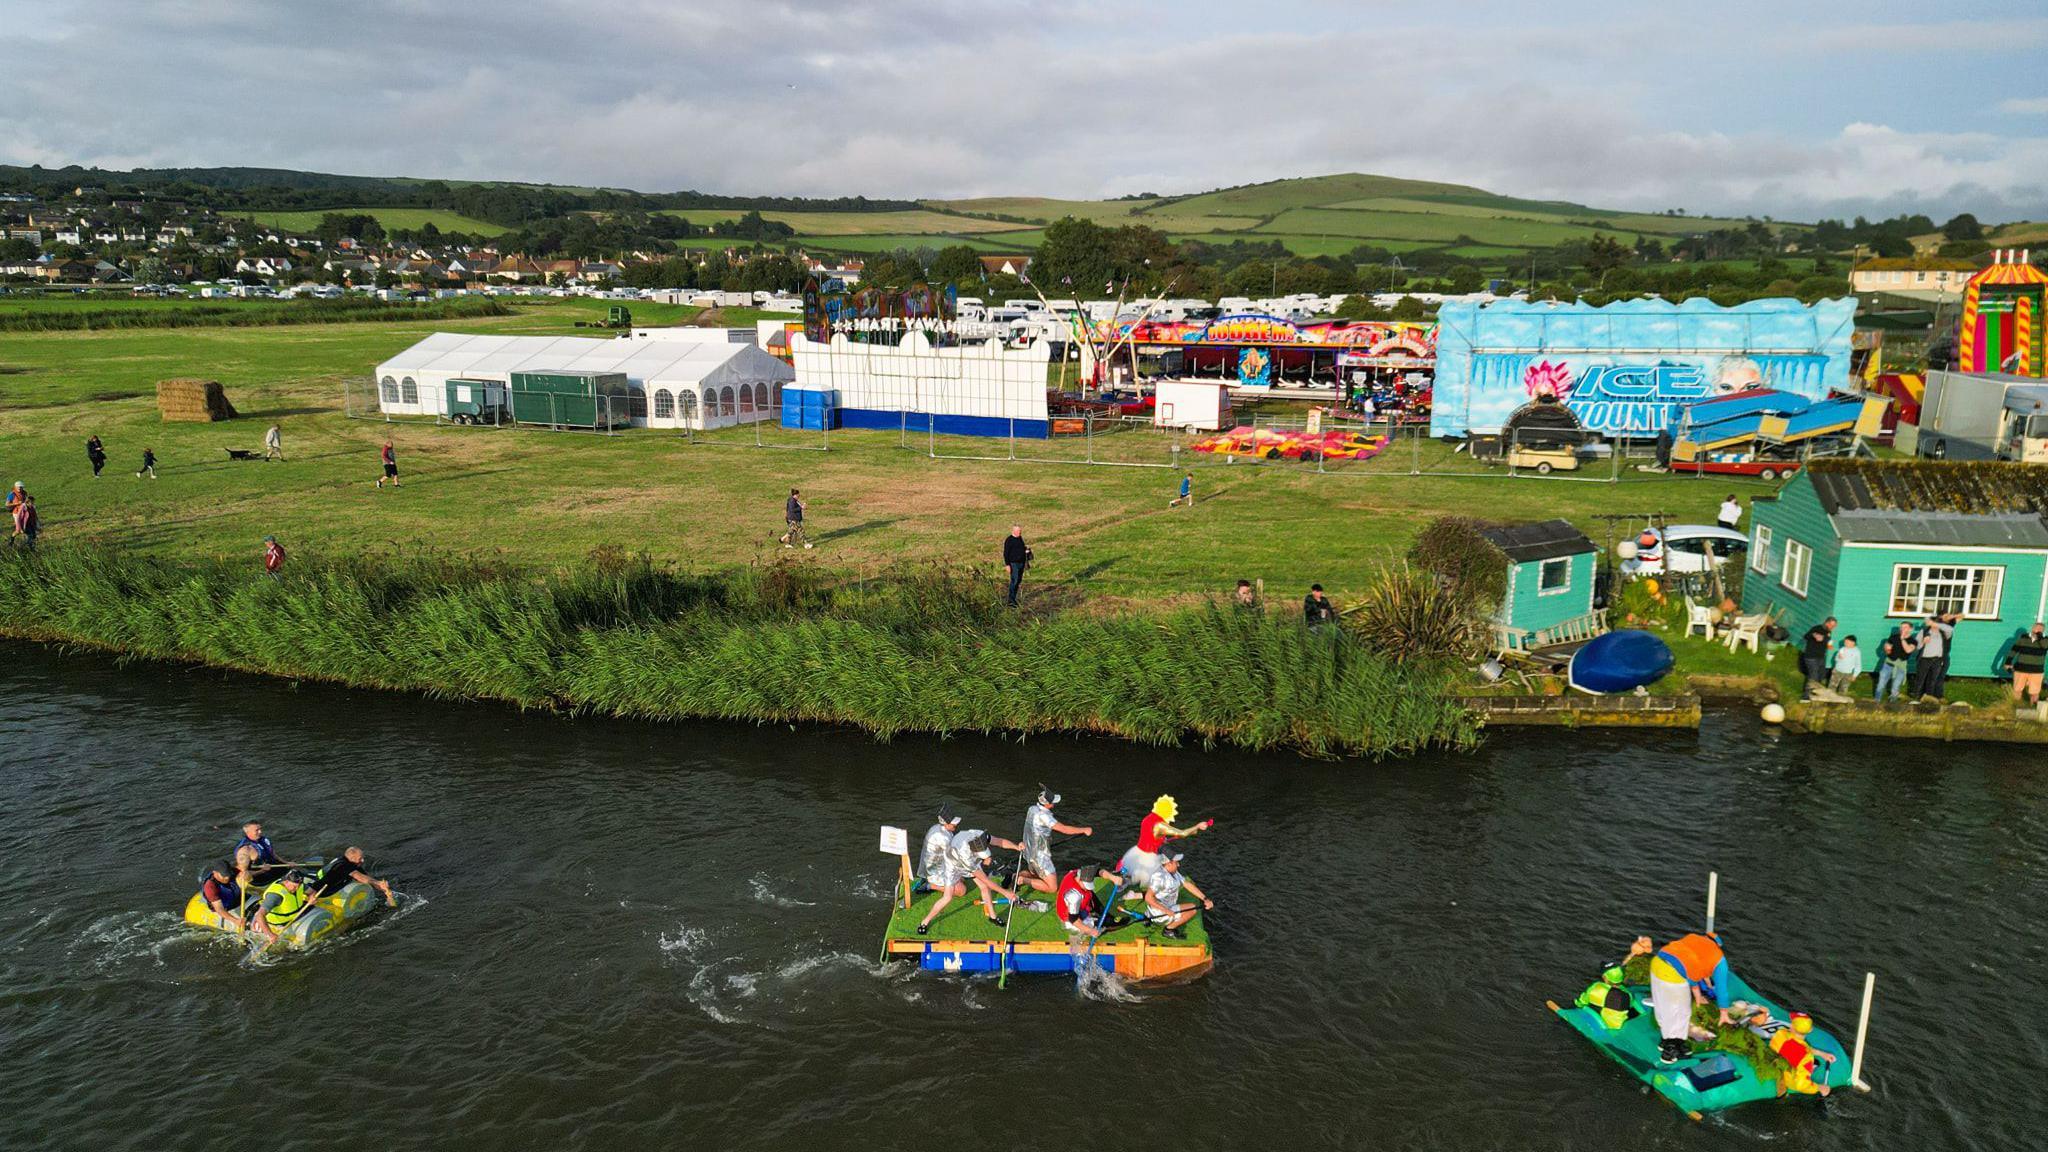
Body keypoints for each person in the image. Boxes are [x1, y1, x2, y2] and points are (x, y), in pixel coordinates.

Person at [1632, 932, 1734, 1065]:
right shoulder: (1719, 960)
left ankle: (1665, 1042)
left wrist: (1697, 996)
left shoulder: (1692, 939)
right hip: (1673, 976)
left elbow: (1690, 970)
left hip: (1657, 964)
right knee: (1681, 1013)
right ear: (1718, 946)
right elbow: (1721, 989)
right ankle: (1670, 1052)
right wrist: (1724, 1012)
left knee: (1663, 1006)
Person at [914, 827, 1022, 936]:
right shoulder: (966, 856)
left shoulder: (980, 836)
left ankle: (993, 917)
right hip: (953, 865)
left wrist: (1016, 847)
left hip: (970, 860)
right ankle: (925, 922)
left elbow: (999, 841)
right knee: (948, 897)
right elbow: (984, 878)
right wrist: (1005, 893)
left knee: (984, 887)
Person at [1734, 1003, 1837, 1097]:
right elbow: (1801, 1085)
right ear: (1810, 1030)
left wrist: (1822, 1053)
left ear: (1791, 1027)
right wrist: (1820, 1088)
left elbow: (1797, 1047)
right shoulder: (1806, 1057)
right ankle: (1782, 1086)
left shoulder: (1781, 1034)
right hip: (1790, 1080)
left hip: (1775, 1062)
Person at [1117, 794, 1212, 890]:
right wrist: (1197, 826)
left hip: (1138, 851)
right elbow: (1182, 833)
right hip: (1149, 857)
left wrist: (1162, 839)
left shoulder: (1148, 818)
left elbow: (1150, 835)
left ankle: (1123, 883)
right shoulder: (1160, 825)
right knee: (1154, 881)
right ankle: (1140, 894)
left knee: (1134, 872)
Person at [1015, 787, 1092, 895]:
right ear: (1047, 804)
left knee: (1036, 874)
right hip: (1039, 856)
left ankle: (1016, 876)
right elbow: (1064, 829)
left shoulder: (1032, 809)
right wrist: (1084, 829)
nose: (1054, 803)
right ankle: (1022, 880)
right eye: (1053, 802)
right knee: (1052, 887)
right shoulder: (1044, 816)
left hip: (1029, 852)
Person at [1141, 850, 1212, 940]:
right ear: (1169, 863)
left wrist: (1204, 898)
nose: (1178, 865)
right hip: (1161, 913)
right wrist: (1166, 910)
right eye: (1176, 862)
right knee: (1192, 909)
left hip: (1158, 909)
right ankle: (1169, 930)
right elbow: (1148, 897)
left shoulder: (1173, 872)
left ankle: (1148, 917)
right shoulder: (1159, 877)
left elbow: (1186, 884)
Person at [1054, 863, 1122, 938]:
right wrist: (1090, 930)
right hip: (1068, 916)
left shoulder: (1077, 873)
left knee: (1089, 893)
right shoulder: (1074, 896)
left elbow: (1099, 871)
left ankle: (1102, 914)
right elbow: (1073, 919)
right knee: (1096, 925)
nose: (1087, 887)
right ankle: (1103, 923)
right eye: (1086, 885)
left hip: (1079, 902)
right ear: (1080, 880)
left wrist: (1113, 877)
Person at [309, 845, 394, 903]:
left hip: (321, 880)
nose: (363, 861)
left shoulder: (352, 864)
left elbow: (367, 879)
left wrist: (385, 890)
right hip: (320, 891)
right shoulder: (343, 865)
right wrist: (378, 883)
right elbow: (358, 876)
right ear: (352, 858)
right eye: (360, 858)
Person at [251, 871, 313, 943]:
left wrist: (311, 897)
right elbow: (259, 915)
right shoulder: (275, 896)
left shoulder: (298, 884)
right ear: (286, 882)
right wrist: (270, 934)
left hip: (294, 916)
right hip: (276, 922)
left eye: (298, 886)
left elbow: (312, 892)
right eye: (294, 886)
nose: (296, 889)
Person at [1574, 964, 1639, 1031]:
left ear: (1605, 977)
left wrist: (1577, 1003)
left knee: (1586, 1006)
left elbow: (1582, 1002)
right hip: (1621, 1024)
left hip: (1607, 1026)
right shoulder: (1628, 994)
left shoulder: (1597, 988)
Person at [917, 803, 963, 894]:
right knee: (961, 890)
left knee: (961, 877)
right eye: (953, 823)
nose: (956, 824)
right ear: (945, 823)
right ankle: (930, 886)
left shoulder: (937, 828)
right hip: (934, 871)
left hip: (937, 864)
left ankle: (931, 882)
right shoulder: (943, 837)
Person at [1913, 612, 1956, 700]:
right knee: (1920, 679)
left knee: (1932, 680)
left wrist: (1936, 624)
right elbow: (1917, 646)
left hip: (1937, 659)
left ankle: (1929, 698)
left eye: (1937, 623)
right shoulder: (1924, 632)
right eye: (1934, 623)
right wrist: (1923, 642)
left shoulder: (1944, 633)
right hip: (1924, 659)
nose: (1935, 626)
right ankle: (1917, 697)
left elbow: (1950, 629)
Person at [2005, 621, 2047, 707]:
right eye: (2036, 628)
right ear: (2032, 628)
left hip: (2036, 671)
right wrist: (2008, 662)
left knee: (2034, 692)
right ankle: (2015, 706)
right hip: (2020, 669)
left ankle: (2033, 708)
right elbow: (2014, 650)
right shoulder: (2023, 638)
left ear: (2043, 631)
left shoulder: (2045, 640)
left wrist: (2039, 636)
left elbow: (2045, 646)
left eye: (2040, 629)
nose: (2037, 630)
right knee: (2017, 689)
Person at [234, 821, 285, 889]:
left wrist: (287, 863)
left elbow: (273, 854)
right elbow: (244, 874)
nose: (260, 832)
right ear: (248, 832)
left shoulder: (262, 840)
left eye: (260, 829)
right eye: (257, 830)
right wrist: (262, 870)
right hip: (261, 879)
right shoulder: (245, 851)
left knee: (293, 872)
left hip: (271, 869)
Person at [197, 861, 247, 931]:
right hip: (226, 907)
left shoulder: (231, 871)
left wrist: (249, 874)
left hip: (237, 899)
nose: (227, 878)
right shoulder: (210, 886)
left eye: (228, 875)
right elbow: (219, 909)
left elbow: (244, 872)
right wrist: (235, 921)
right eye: (224, 875)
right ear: (215, 873)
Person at [1875, 622, 1916, 703]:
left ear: (1910, 629)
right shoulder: (1893, 637)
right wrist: (1887, 649)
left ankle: (1892, 703)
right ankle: (1876, 701)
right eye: (1901, 627)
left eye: (1905, 627)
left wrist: (1902, 639)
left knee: (1896, 686)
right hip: (1889, 663)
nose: (1902, 629)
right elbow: (1887, 647)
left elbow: (1908, 650)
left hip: (1901, 665)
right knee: (1881, 683)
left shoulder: (1913, 641)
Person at [1798, 617, 1835, 701]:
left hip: (1821, 657)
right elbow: (1806, 636)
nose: (1833, 627)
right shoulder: (1817, 628)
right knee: (1813, 675)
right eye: (1832, 625)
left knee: (1821, 675)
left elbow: (1826, 640)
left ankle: (1815, 693)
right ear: (1827, 623)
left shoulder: (1828, 631)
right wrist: (1814, 635)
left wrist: (1828, 644)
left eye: (1834, 626)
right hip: (1811, 657)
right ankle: (1805, 696)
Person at [1002, 525, 1031, 608]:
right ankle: (1011, 600)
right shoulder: (1009, 540)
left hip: (1021, 563)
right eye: (1019, 531)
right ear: (1014, 531)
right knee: (1014, 581)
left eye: (1020, 531)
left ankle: (1013, 599)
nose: (1020, 533)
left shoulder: (1020, 539)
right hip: (1013, 563)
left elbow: (1021, 548)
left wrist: (1026, 551)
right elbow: (1006, 553)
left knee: (1018, 580)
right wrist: (1007, 565)